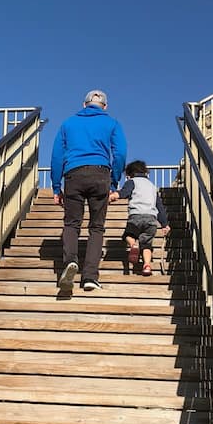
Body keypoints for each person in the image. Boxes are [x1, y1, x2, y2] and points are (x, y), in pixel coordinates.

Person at [50, 89, 127, 291]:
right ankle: (90, 276)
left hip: (73, 174)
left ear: (84, 105)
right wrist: (114, 182)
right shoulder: (112, 123)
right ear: (105, 106)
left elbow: (57, 155)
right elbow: (120, 153)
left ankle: (70, 262)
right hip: (100, 174)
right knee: (96, 227)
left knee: (72, 223)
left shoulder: (68, 123)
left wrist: (56, 187)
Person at [110, 160, 171, 275]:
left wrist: (114, 195)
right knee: (147, 244)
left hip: (136, 216)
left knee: (128, 235)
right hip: (151, 219)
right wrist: (164, 224)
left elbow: (124, 192)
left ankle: (134, 245)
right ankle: (147, 266)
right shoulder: (152, 187)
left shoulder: (132, 182)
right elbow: (159, 206)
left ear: (129, 174)